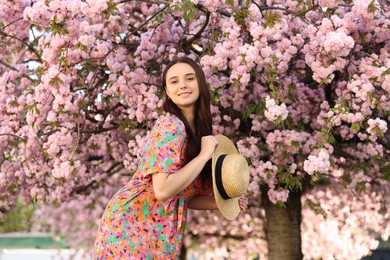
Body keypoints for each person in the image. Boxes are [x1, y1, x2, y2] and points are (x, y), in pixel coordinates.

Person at [93, 57, 248, 259]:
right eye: (174, 81)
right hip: (131, 226)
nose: (182, 85)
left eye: (189, 78)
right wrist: (203, 156)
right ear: (167, 92)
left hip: (161, 232)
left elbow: (184, 197)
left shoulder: (199, 133)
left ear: (200, 84)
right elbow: (163, 190)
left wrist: (222, 202)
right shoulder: (171, 126)